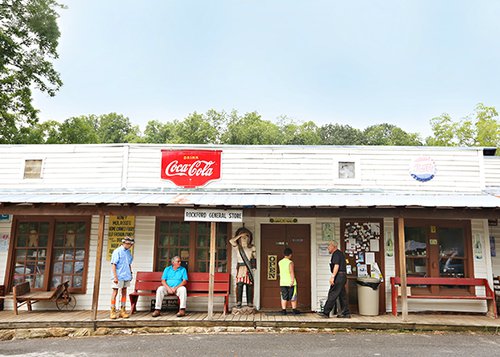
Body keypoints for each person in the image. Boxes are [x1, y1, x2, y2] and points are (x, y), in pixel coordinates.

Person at [317, 240, 351, 318]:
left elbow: (336, 265)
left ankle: (326, 312)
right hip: (342, 276)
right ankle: (345, 313)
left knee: (333, 293)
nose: (328, 248)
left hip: (338, 276)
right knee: (342, 295)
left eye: (329, 246)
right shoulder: (340, 254)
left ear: (333, 246)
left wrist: (333, 277)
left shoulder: (336, 254)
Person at [229, 227, 256, 308]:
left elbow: (254, 259)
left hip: (249, 269)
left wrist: (253, 268)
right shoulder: (237, 248)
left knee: (249, 286)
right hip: (240, 268)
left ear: (249, 238)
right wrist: (240, 235)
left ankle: (250, 302)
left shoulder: (252, 248)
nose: (244, 239)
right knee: (240, 285)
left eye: (246, 237)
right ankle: (239, 302)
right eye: (242, 238)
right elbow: (231, 241)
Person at [110, 236, 134, 319]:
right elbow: (113, 264)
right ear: (124, 243)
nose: (130, 246)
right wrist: (115, 277)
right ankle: (112, 310)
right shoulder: (117, 251)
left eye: (131, 244)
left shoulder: (128, 252)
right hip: (118, 275)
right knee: (115, 292)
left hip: (126, 275)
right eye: (129, 244)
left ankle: (122, 310)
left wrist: (131, 273)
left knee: (124, 292)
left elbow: (129, 264)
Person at [278, 247, 299, 315]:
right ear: (290, 254)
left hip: (283, 282)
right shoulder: (290, 262)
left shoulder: (280, 262)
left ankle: (284, 310)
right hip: (290, 282)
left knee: (283, 296)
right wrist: (292, 280)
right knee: (293, 296)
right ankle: (294, 309)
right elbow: (291, 272)